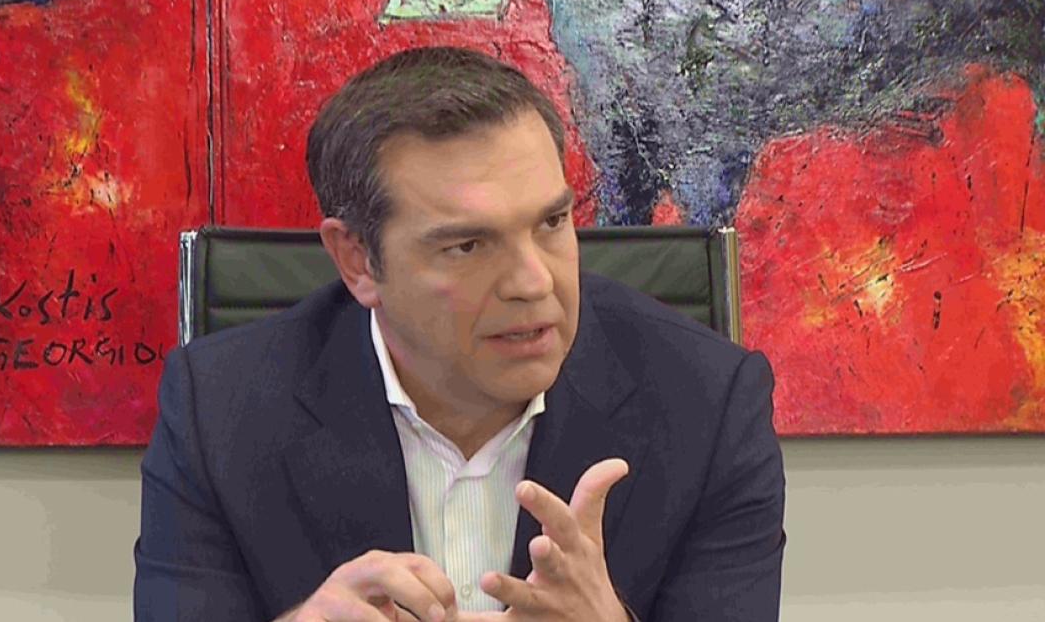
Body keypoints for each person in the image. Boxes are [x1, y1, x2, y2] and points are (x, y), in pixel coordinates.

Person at [133, 46, 785, 621]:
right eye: (468, 245)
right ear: (358, 261)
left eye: (552, 223)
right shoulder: (221, 409)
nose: (533, 283)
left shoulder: (707, 401)